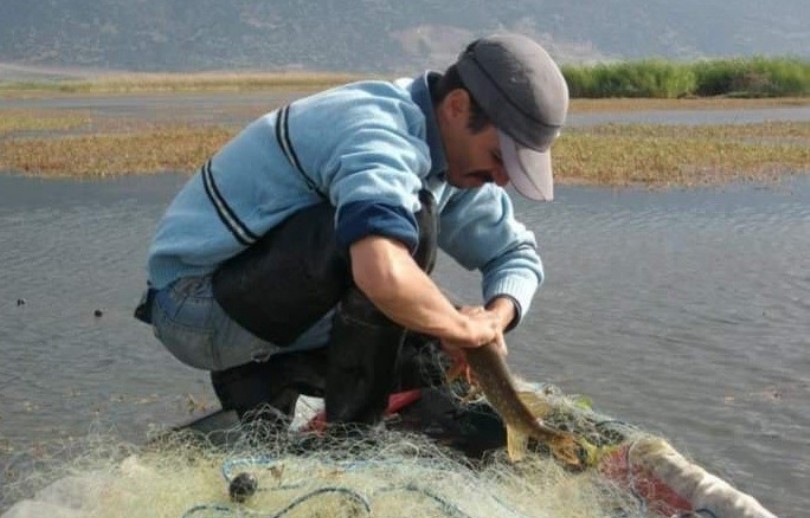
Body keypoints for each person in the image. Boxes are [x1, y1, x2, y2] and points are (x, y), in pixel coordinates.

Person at [134, 32, 569, 433]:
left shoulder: (456, 164)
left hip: (266, 303)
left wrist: (492, 319)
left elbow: (516, 254)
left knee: (439, 355)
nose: (501, 180)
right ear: (457, 107)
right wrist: (459, 326)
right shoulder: (378, 129)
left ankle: (268, 378)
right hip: (193, 305)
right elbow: (380, 269)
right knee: (404, 232)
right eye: (499, 158)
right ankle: (353, 438)